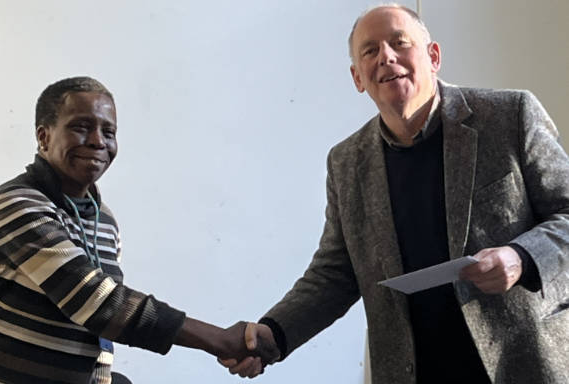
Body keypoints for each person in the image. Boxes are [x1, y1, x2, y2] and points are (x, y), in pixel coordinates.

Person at [220, 4, 569, 383]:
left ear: (433, 57)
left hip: (521, 366)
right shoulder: (346, 162)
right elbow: (335, 273)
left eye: (400, 43)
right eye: (370, 51)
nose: (386, 56)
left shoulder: (509, 115)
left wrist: (521, 258)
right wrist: (275, 333)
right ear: (358, 77)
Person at [0, 77, 278, 384]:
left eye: (109, 132)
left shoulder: (103, 220)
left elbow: (102, 328)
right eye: (81, 126)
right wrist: (222, 340)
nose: (98, 141)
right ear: (44, 136)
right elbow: (99, 304)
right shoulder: (16, 204)